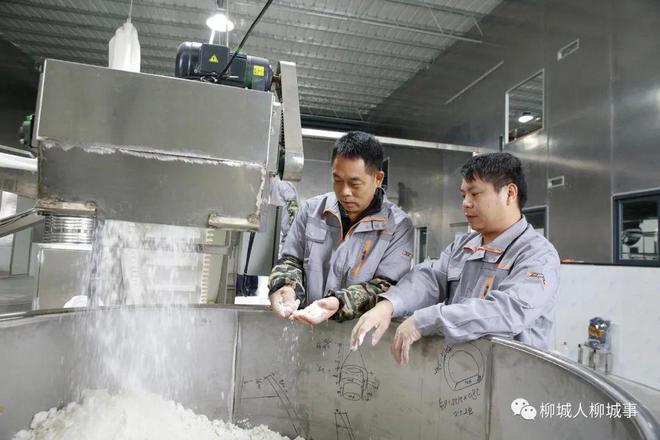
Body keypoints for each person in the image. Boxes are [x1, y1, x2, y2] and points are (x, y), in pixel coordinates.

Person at [350, 152, 560, 363]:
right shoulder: (464, 246)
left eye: (475, 194)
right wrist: (389, 305)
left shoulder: (537, 254)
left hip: (511, 375)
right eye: (463, 195)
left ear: (509, 193)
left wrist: (426, 321)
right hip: (460, 371)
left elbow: (510, 311)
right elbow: (428, 279)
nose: (466, 203)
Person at [268, 131, 414, 324]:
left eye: (355, 183)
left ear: (378, 178)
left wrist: (339, 303)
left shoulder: (397, 226)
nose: (344, 192)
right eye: (337, 180)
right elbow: (291, 261)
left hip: (359, 332)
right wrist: (285, 286)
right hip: (307, 326)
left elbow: (386, 286)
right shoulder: (311, 210)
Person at [269, 175, 300, 257]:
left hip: (290, 237)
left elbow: (294, 209)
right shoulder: (271, 188)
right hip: (283, 238)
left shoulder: (282, 184)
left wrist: (292, 232)